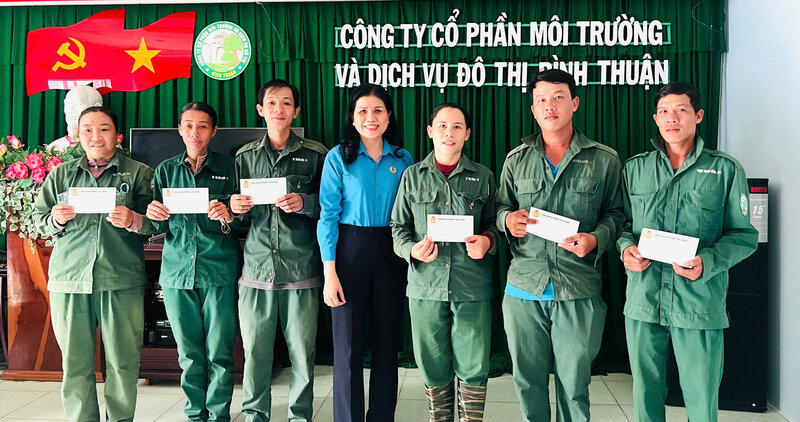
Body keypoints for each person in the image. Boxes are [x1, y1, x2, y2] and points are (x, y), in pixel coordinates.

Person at [617, 82, 758, 422]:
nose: (672, 118)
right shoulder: (635, 168)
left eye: (681, 110)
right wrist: (626, 249)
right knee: (646, 392)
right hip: (644, 299)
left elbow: (744, 235)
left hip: (698, 301)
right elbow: (622, 225)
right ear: (655, 119)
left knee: (701, 394)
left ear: (698, 115)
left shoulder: (725, 170)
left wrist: (707, 261)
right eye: (664, 112)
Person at [495, 69, 625, 422]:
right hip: (524, 288)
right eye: (541, 99)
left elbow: (617, 214)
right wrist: (507, 219)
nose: (549, 106)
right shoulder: (516, 159)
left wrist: (596, 238)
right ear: (533, 108)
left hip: (578, 288)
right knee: (527, 382)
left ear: (575, 103)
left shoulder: (604, 160)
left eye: (558, 97)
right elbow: (500, 207)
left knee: (574, 383)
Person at [33, 106, 155, 422]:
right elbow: (38, 219)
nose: (95, 136)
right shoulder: (61, 174)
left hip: (120, 279)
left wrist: (134, 219)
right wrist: (55, 219)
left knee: (123, 362)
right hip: (69, 280)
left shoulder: (138, 173)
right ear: (79, 135)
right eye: (87, 129)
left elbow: (158, 222)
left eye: (103, 129)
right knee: (75, 363)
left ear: (117, 135)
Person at [390, 103, 497, 422]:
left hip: (471, 286)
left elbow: (494, 224)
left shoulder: (483, 177)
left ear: (467, 134)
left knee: (474, 365)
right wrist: (411, 250)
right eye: (442, 126)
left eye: (457, 127)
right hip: (425, 286)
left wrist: (487, 241)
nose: (449, 133)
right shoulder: (412, 177)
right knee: (433, 367)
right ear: (430, 131)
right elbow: (397, 227)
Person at [230, 79, 328, 422]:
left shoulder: (316, 154)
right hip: (256, 270)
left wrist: (306, 202)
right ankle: (255, 414)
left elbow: (331, 206)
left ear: (296, 110)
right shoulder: (244, 157)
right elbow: (235, 212)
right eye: (271, 103)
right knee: (255, 352)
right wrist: (235, 207)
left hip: (301, 267)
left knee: (302, 353)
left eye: (286, 103)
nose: (278, 109)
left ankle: (299, 415)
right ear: (261, 110)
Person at [318, 83, 413, 422]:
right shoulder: (337, 157)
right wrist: (330, 272)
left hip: (392, 251)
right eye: (362, 111)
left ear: (388, 116)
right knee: (348, 347)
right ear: (352, 117)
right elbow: (328, 216)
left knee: (387, 345)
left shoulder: (402, 159)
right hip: (349, 250)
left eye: (378, 110)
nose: (370, 117)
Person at [146, 102, 240, 421]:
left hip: (218, 270)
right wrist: (152, 213)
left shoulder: (231, 167)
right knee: (188, 353)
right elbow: (156, 223)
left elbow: (245, 216)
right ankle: (195, 414)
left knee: (220, 352)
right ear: (179, 129)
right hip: (176, 273)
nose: (194, 132)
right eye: (188, 125)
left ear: (213, 131)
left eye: (202, 126)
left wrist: (229, 214)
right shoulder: (165, 170)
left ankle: (219, 414)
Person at [48, 85, 103, 153]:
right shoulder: (54, 148)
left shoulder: (106, 147)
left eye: (78, 104)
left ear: (96, 107)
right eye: (68, 104)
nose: (70, 110)